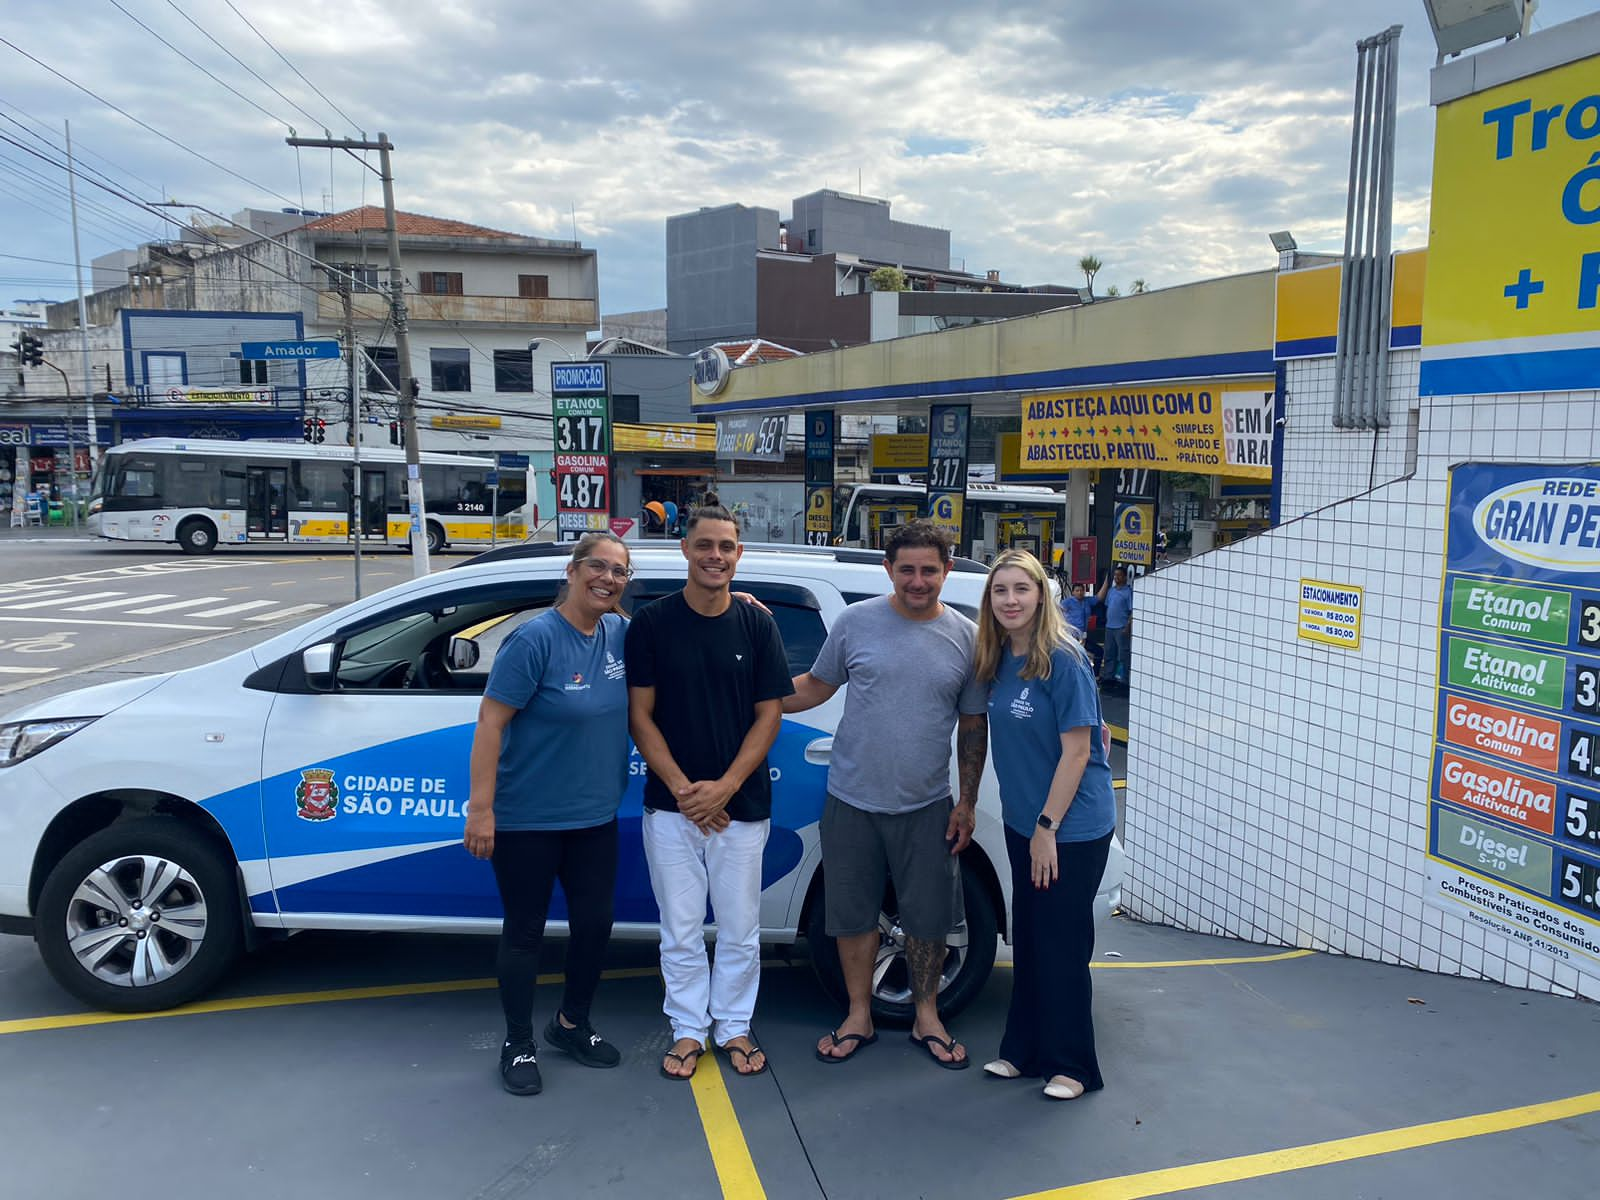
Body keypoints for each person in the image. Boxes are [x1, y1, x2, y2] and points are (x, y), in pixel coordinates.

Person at [786, 520, 988, 1070]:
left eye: (928, 570)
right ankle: (858, 1013)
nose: (917, 581)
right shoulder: (855, 624)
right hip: (851, 799)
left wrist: (967, 802)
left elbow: (972, 726)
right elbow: (813, 687)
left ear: (946, 570)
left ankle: (927, 1015)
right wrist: (753, 700)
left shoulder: (966, 638)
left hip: (927, 805)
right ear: (888, 570)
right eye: (907, 570)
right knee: (851, 914)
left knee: (929, 919)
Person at [626, 505, 793, 1081]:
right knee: (680, 928)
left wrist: (723, 788)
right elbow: (639, 715)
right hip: (670, 807)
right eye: (704, 545)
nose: (715, 556)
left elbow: (769, 715)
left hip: (741, 807)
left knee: (740, 928)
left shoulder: (756, 624)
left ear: (738, 555)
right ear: (685, 550)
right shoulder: (652, 623)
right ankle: (688, 1029)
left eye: (726, 546)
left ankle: (735, 1025)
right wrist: (681, 788)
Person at [463, 532, 633, 1096]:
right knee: (525, 933)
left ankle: (570, 1025)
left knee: (595, 925)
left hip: (594, 818)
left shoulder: (618, 633)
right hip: (528, 820)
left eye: (620, 572)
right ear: (573, 569)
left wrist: (740, 599)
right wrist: (481, 811)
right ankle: (517, 1041)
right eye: (599, 567)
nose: (608, 579)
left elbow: (680, 636)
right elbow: (491, 724)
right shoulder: (534, 639)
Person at [975, 548, 1116, 1101]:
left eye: (1021, 589)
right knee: (1030, 939)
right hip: (1025, 822)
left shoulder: (1062, 658)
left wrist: (1048, 827)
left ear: (1041, 595)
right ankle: (1023, 1051)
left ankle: (1074, 1066)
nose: (1010, 600)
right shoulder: (1000, 655)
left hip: (1069, 828)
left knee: (1060, 942)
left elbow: (1078, 752)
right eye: (1000, 590)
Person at [1096, 565, 1134, 689]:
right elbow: (1107, 606)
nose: (1117, 578)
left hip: (1121, 627)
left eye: (1119, 575)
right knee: (1109, 654)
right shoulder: (1111, 591)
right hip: (1109, 627)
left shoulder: (1128, 592)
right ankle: (1108, 677)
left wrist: (1128, 627)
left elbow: (1131, 611)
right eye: (1116, 575)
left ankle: (1124, 681)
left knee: (1123, 655)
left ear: (1124, 577)